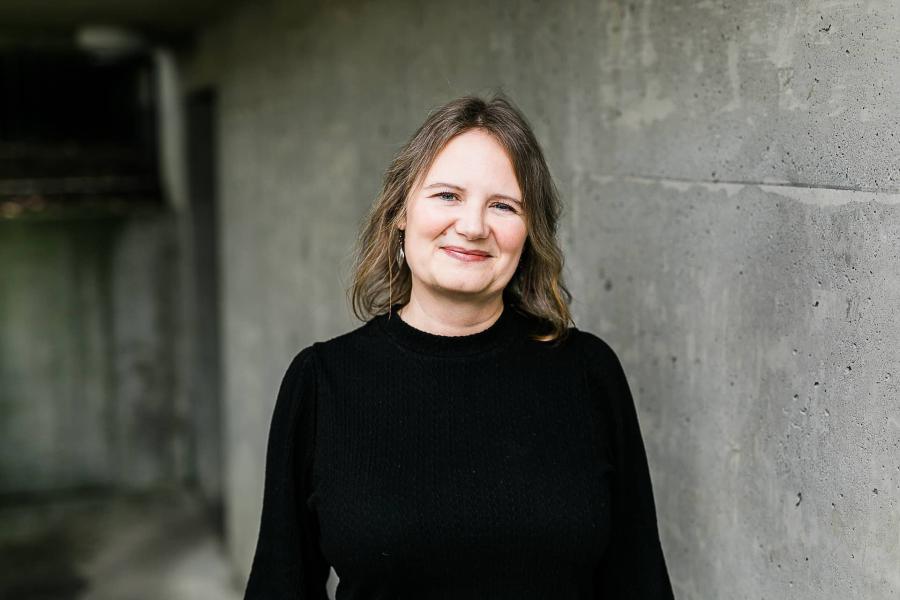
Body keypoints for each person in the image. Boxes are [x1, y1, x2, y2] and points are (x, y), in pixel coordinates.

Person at [243, 94, 674, 599]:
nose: (472, 227)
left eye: (503, 205)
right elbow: (281, 586)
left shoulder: (587, 372)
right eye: (447, 195)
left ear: (529, 230)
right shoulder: (322, 382)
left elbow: (638, 581)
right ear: (400, 211)